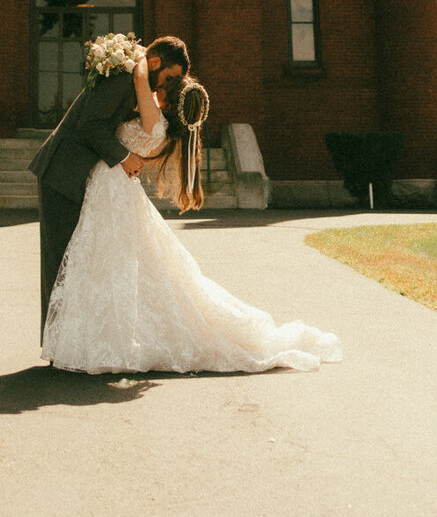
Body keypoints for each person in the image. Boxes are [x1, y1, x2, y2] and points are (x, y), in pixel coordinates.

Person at [42, 52, 342, 375]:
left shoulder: (152, 117)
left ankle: (92, 338)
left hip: (111, 186)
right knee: (112, 265)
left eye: (169, 84)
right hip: (111, 187)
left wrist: (139, 58)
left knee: (106, 264)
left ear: (169, 100)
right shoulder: (161, 128)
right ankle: (94, 336)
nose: (163, 85)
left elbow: (141, 79)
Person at [29, 35, 190, 331]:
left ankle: (69, 338)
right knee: (60, 262)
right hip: (63, 172)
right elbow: (89, 124)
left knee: (77, 260)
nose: (166, 85)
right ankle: (56, 340)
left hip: (83, 177)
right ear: (155, 63)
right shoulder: (121, 80)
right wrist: (124, 157)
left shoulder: (135, 81)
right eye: (169, 77)